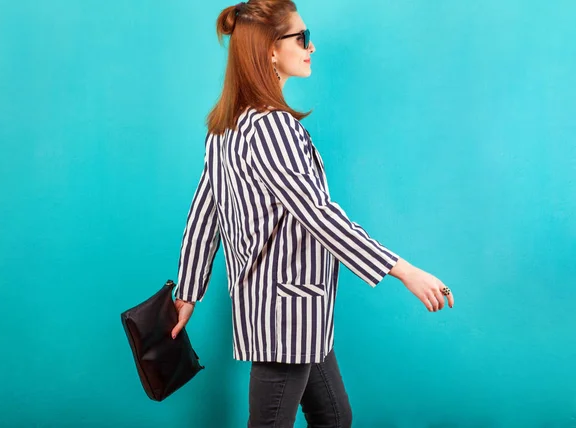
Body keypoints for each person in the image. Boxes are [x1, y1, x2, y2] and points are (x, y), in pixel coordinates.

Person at [169, 1, 455, 426]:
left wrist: (189, 292)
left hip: (294, 313)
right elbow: (318, 215)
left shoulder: (227, 129)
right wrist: (404, 270)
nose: (311, 47)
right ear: (269, 48)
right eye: (301, 38)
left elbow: (202, 215)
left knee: (335, 416)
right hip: (288, 313)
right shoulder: (272, 128)